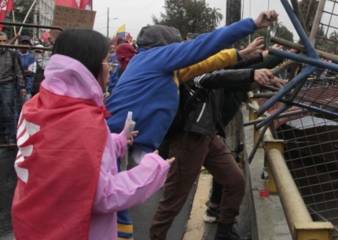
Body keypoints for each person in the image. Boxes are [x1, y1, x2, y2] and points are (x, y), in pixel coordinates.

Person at [11, 29, 173, 240]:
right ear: (89, 68)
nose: (109, 68)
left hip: (32, 225)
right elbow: (103, 195)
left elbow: (64, 156)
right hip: (78, 230)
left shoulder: (36, 105)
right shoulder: (84, 121)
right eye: (106, 61)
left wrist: (117, 141)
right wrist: (153, 168)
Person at [106, 10, 279, 161]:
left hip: (129, 142)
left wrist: (239, 54)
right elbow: (203, 46)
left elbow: (204, 64)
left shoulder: (158, 66)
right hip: (119, 140)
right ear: (167, 46)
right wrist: (252, 24)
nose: (181, 49)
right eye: (178, 45)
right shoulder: (159, 57)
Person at [151, 48, 285, 239]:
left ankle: (224, 232)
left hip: (209, 134)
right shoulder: (190, 71)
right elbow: (218, 77)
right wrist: (252, 73)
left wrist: (259, 60)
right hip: (190, 137)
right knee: (174, 200)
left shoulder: (216, 69)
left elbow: (233, 69)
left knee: (236, 181)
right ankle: (156, 237)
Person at [0, 31, 25, 144]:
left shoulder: (12, 54)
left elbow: (18, 71)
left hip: (7, 84)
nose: (2, 43)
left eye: (4, 41)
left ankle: (9, 136)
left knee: (7, 110)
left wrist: (22, 87)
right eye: (0, 41)